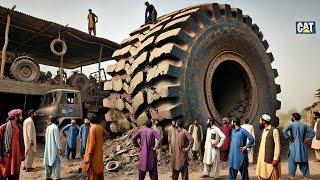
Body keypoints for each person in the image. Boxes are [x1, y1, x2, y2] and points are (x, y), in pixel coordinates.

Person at [283, 113, 315, 179]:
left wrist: (289, 137)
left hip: (293, 145)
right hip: (302, 145)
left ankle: (292, 176)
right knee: (304, 161)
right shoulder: (304, 125)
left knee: (292, 161)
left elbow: (284, 130)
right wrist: (307, 139)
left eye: (292, 117)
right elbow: (313, 132)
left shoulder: (291, 124)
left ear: (293, 118)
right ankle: (306, 176)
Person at [0, 109, 25, 179]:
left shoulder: (19, 127)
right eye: (20, 115)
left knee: (15, 175)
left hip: (16, 157)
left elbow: (21, 141)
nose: (22, 117)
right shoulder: (3, 127)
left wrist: (22, 154)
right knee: (4, 174)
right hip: (6, 156)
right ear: (16, 117)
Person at [256, 114, 281, 180]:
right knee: (262, 175)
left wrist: (275, 158)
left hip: (270, 160)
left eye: (260, 120)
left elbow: (277, 145)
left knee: (271, 176)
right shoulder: (264, 130)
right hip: (262, 159)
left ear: (264, 121)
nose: (259, 122)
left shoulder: (274, 130)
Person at [82, 113, 106, 180]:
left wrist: (89, 156)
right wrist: (100, 144)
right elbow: (105, 136)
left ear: (89, 120)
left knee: (93, 174)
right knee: (99, 173)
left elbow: (92, 144)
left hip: (93, 157)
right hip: (99, 155)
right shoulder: (100, 127)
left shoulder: (92, 128)